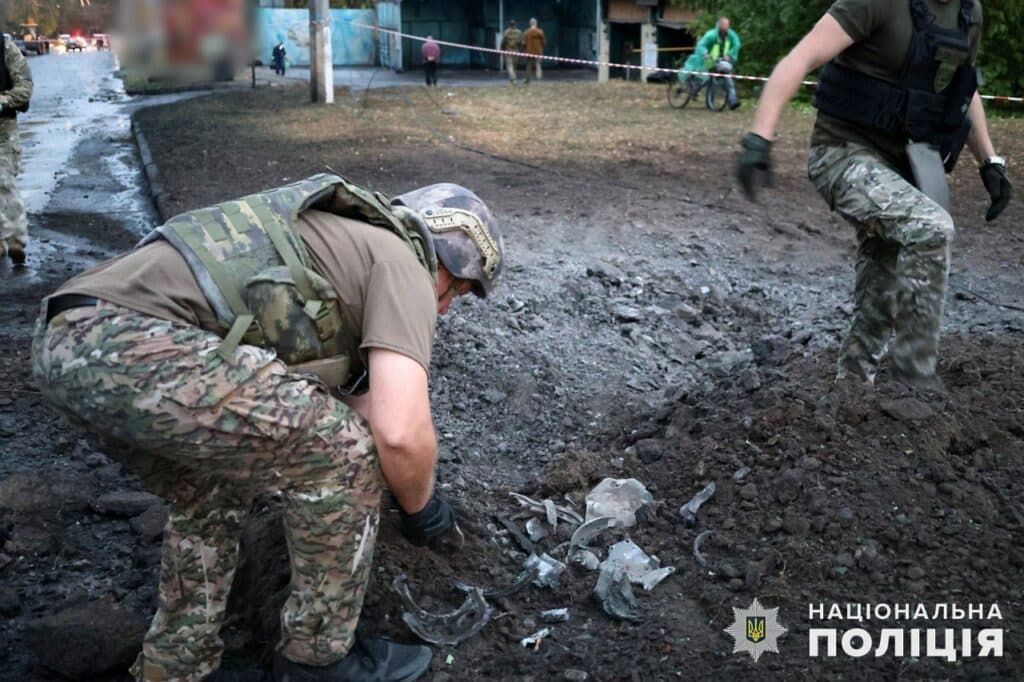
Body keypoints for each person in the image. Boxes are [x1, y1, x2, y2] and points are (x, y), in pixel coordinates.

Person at [31, 174, 505, 681]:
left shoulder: (341, 240)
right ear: (441, 258)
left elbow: (361, 402)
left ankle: (176, 666)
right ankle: (317, 660)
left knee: (212, 490)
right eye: (455, 288)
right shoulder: (403, 263)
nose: (447, 306)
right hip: (125, 341)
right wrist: (423, 509)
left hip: (68, 341)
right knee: (342, 451)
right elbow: (399, 432)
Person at [737, 0, 1012, 391]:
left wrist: (989, 161)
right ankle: (913, 378)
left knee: (881, 292)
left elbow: (962, 88)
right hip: (841, 155)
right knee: (930, 228)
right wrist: (759, 138)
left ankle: (851, 393)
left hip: (903, 167)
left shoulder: (969, 13)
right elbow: (800, 58)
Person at [0, 31, 33, 266]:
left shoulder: (5, 47)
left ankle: (16, 241)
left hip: (3, 128)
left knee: (4, 182)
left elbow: (25, 86)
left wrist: (2, 101)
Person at [696, 17, 742, 110]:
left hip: (721, 61)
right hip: (708, 60)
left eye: (727, 26)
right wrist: (705, 54)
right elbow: (701, 45)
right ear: (719, 25)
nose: (725, 29)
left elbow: (737, 44)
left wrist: (729, 55)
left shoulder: (731, 35)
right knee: (709, 77)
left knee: (728, 78)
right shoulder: (711, 35)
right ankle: (709, 99)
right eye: (723, 26)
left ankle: (732, 101)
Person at [523, 18, 545, 83]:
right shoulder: (540, 32)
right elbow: (543, 42)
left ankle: (527, 80)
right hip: (538, 51)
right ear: (536, 23)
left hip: (529, 51)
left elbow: (524, 43)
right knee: (538, 65)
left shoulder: (526, 32)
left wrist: (525, 48)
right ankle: (539, 78)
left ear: (530, 23)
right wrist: (541, 48)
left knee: (529, 66)